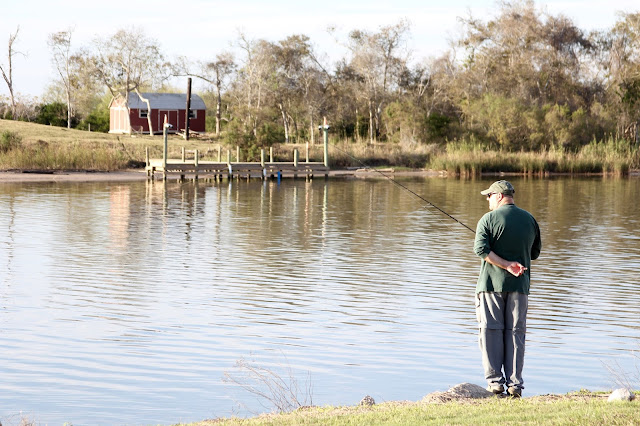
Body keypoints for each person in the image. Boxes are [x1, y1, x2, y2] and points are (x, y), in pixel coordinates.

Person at [473, 180, 541, 397]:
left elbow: (481, 250)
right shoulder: (530, 220)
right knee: (515, 333)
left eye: (489, 195)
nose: (487, 199)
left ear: (499, 196)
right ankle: (514, 384)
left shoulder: (488, 219)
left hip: (491, 285)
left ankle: (495, 383)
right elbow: (535, 253)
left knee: (491, 331)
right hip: (520, 287)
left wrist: (505, 265)